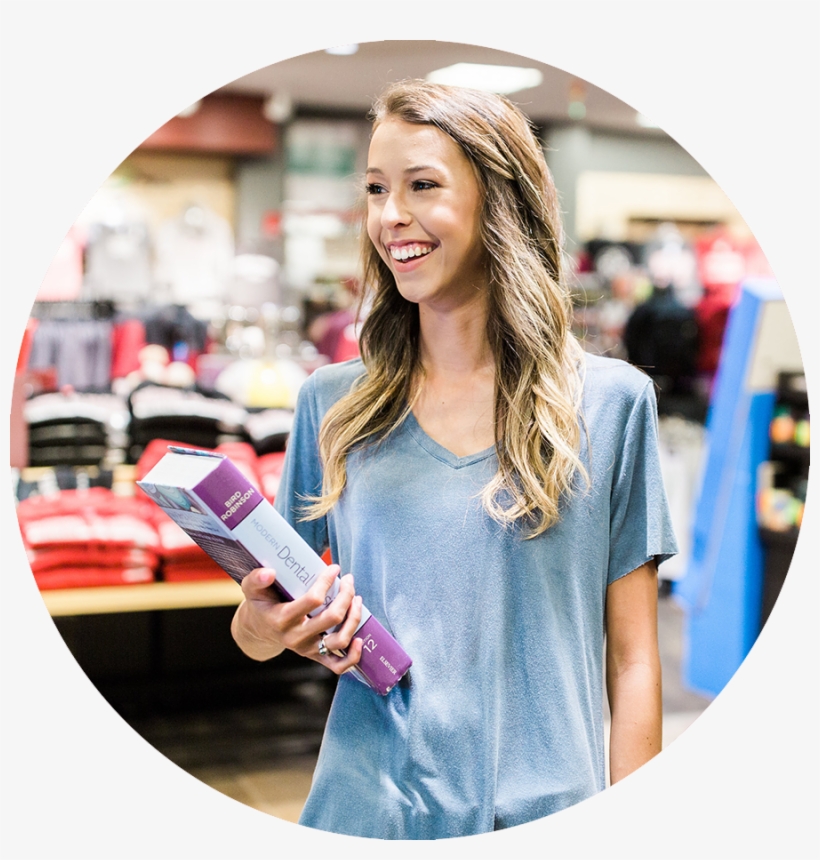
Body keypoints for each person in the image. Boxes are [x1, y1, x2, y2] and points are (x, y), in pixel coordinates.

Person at [231, 80, 677, 840]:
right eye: (375, 189)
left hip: (545, 813)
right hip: (365, 811)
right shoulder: (332, 404)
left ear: (499, 200)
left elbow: (634, 661)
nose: (390, 214)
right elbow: (258, 630)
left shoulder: (610, 406)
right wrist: (268, 621)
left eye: (422, 185)